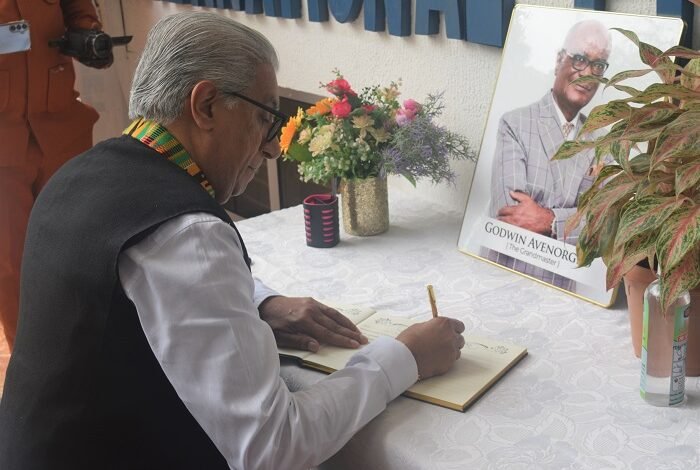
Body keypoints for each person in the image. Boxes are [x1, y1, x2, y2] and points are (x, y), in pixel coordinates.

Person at [0, 11, 466, 470]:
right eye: (266, 117)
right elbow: (272, 447)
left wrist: (261, 303)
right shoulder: (185, 232)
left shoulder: (81, 172)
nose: (270, 147)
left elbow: (149, 294)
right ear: (205, 106)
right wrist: (405, 358)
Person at [0, 0, 113, 350]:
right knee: (10, 261)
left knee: (76, 243)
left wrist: (88, 36)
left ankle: (86, 350)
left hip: (59, 125)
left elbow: (77, 7)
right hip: (3, 141)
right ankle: (29, 362)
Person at [487, 20, 612, 291]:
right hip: (504, 279)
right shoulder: (515, 123)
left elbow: (607, 224)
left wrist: (550, 220)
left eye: (598, 65)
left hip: (565, 289)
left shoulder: (604, 143)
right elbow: (511, 216)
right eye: (580, 59)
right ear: (559, 61)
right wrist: (575, 217)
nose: (588, 74)